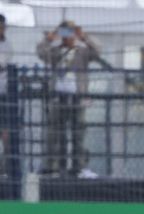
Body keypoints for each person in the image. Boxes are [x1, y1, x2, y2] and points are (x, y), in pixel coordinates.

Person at [37, 20, 101, 178]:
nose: (67, 36)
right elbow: (40, 53)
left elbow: (98, 51)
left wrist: (84, 36)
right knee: (54, 134)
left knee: (78, 134)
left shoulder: (83, 51)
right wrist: (50, 38)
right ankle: (51, 167)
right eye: (65, 32)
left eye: (70, 32)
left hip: (77, 98)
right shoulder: (55, 52)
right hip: (58, 98)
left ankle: (80, 167)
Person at [0, 14, 13, 178]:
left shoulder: (7, 45)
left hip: (2, 94)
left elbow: (3, 64)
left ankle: (4, 168)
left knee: (5, 132)